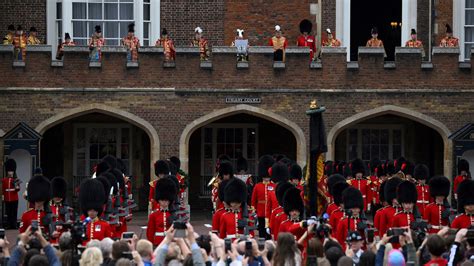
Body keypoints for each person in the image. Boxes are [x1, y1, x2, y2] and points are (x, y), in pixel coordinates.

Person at [79, 178, 112, 245]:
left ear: (98, 211)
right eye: (90, 210)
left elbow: (108, 242)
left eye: (94, 210)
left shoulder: (105, 225)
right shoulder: (82, 224)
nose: (92, 212)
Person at [147, 176, 176, 246]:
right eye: (162, 200)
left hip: (171, 243)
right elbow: (150, 232)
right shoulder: (153, 215)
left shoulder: (173, 214)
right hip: (158, 242)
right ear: (158, 200)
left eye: (166, 200)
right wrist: (151, 244)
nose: (164, 203)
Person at [251, 155, 276, 239]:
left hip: (270, 212)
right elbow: (253, 200)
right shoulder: (257, 186)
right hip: (260, 211)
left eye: (267, 176)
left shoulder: (274, 185)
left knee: (269, 230)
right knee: (261, 230)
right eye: (265, 176)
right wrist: (254, 210)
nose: (266, 178)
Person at [336, 186, 365, 250]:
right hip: (347, 249)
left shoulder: (363, 221)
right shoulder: (343, 221)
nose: (355, 210)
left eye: (357, 208)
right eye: (352, 208)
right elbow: (339, 239)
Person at [49, 176, 71, 245]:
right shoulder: (48, 208)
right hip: (51, 240)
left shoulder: (67, 208)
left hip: (64, 239)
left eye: (59, 196)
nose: (57, 197)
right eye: (56, 196)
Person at [2, 159, 20, 229]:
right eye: (9, 171)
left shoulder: (16, 179)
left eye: (11, 171)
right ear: (7, 172)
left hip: (14, 198)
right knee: (8, 213)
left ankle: (14, 225)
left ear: (13, 171)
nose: (10, 172)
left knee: (14, 213)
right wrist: (3, 197)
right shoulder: (4, 180)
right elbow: (3, 190)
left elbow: (18, 189)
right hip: (7, 198)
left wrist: (16, 186)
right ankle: (9, 225)